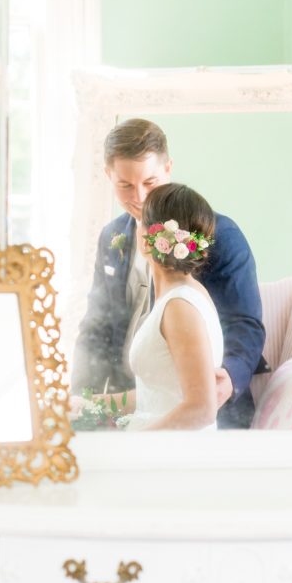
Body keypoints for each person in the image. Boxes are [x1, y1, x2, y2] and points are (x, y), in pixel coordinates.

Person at [70, 118, 266, 429]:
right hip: (132, 397)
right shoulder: (112, 237)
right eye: (125, 185)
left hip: (201, 407)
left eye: (150, 182)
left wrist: (227, 379)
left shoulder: (220, 234)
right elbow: (98, 326)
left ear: (168, 168)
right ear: (109, 175)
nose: (140, 196)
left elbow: (245, 324)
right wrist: (80, 403)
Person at [104, 182, 223, 430]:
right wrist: (87, 404)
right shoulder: (182, 297)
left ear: (148, 241)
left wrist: (137, 447)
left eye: (138, 222)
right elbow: (160, 394)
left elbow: (201, 408)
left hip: (170, 456)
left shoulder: (180, 306)